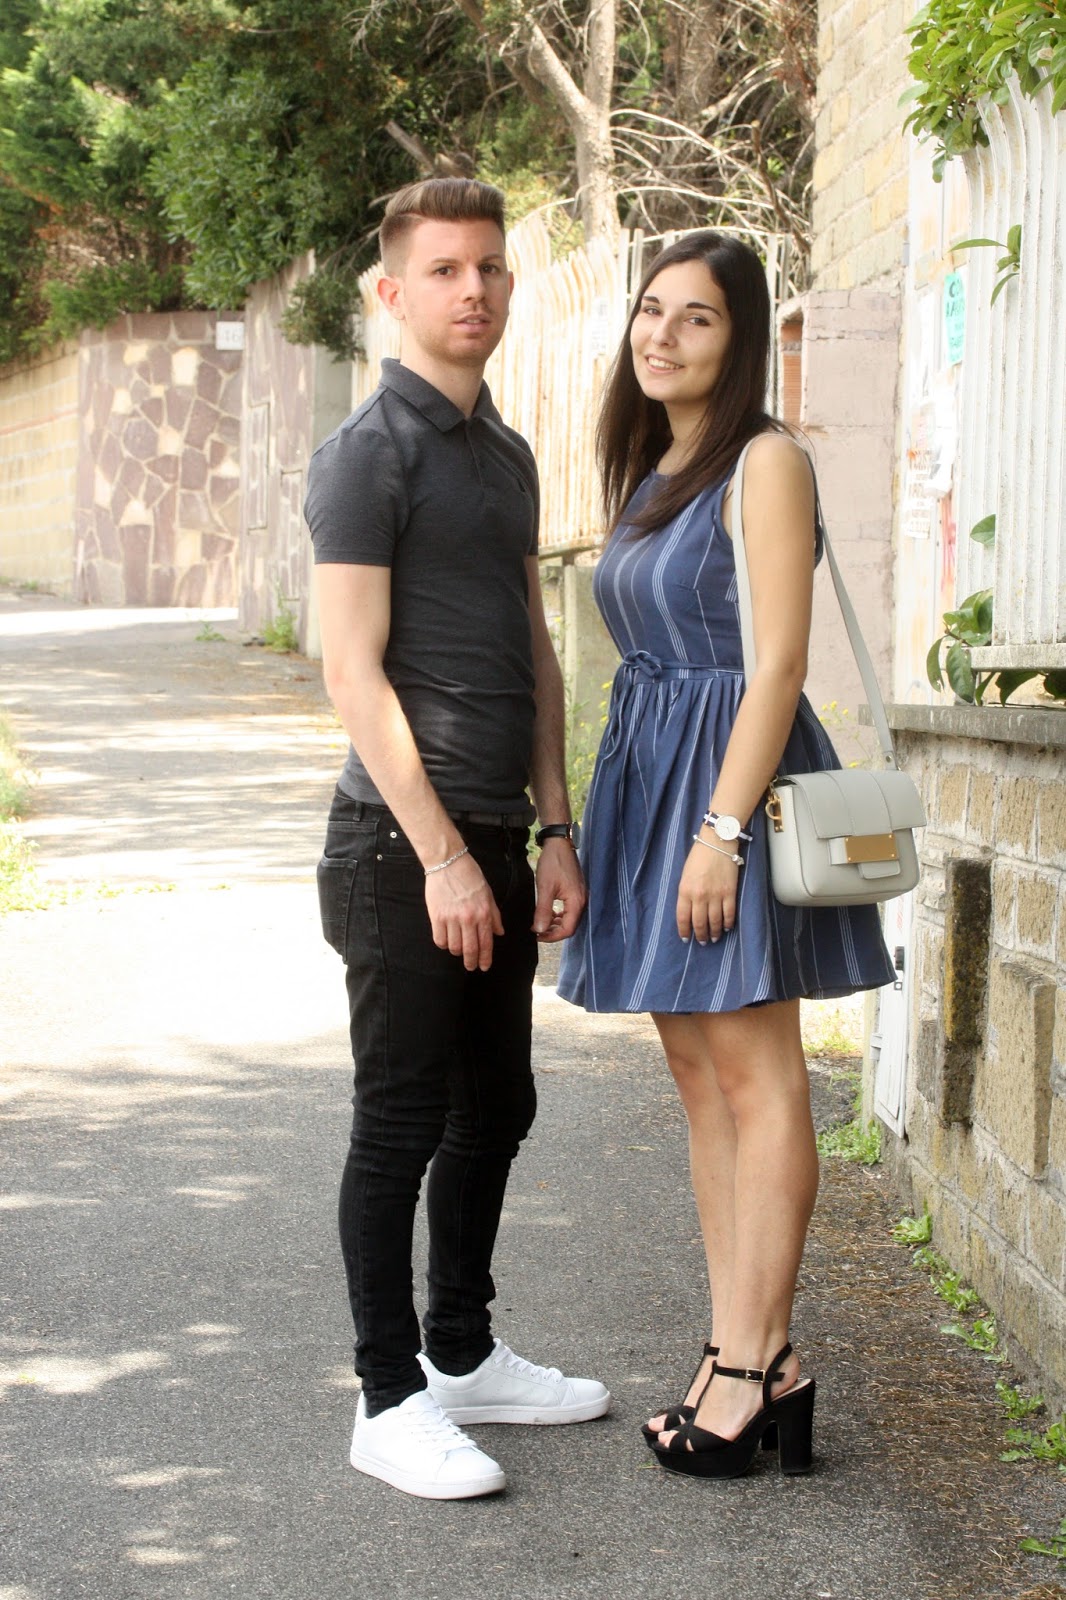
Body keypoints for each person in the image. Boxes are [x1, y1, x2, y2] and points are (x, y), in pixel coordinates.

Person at [557, 231, 894, 1479]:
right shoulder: (656, 466)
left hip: (725, 788)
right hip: (653, 778)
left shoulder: (765, 460)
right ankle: (742, 1346)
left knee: (757, 1073)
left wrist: (720, 830)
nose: (661, 335)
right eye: (651, 310)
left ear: (739, 339)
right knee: (700, 1077)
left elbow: (779, 664)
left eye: (695, 317)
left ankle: (754, 1365)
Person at [305, 177, 609, 1502]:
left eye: (488, 266)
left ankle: (463, 1355)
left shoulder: (507, 455)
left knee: (499, 1106)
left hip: (495, 831)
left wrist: (553, 826)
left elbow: (533, 648)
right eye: (443, 270)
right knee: (400, 1122)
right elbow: (351, 671)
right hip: (396, 846)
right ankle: (386, 1398)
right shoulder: (367, 453)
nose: (472, 289)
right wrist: (438, 855)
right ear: (392, 292)